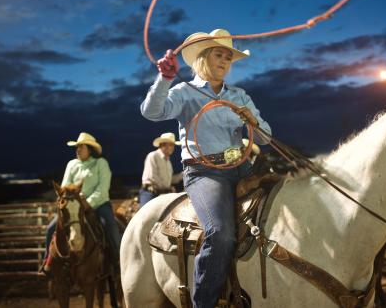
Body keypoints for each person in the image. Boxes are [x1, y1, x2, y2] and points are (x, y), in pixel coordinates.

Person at [141, 29, 272, 308]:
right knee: (221, 232)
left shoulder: (239, 96)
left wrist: (253, 123)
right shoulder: (185, 93)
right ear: (202, 58)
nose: (225, 61)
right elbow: (152, 112)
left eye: (228, 57)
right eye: (219, 55)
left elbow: (267, 138)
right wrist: (163, 79)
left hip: (242, 168)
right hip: (204, 172)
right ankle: (205, 302)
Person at [40, 132, 121, 273]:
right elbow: (65, 187)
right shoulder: (72, 164)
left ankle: (118, 260)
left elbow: (102, 189)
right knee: (51, 229)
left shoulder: (101, 163)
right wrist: (73, 204)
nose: (77, 150)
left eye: (81, 147)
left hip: (99, 204)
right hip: (74, 206)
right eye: (76, 147)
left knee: (109, 225)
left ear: (90, 149)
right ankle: (48, 261)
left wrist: (86, 204)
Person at [140, 132, 183, 206]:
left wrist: (183, 174)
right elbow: (152, 177)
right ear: (162, 145)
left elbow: (169, 180)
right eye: (170, 145)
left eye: (172, 145)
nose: (172, 148)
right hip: (150, 193)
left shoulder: (168, 161)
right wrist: (168, 188)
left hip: (163, 194)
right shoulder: (153, 156)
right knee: (147, 216)